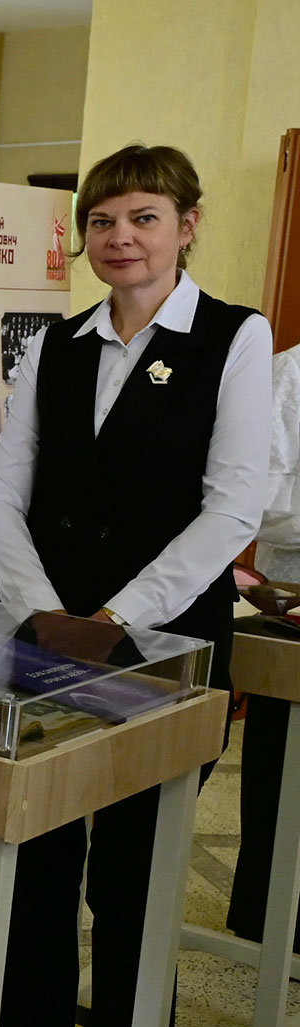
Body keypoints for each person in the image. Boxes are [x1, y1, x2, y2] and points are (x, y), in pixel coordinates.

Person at [0, 144, 272, 1027]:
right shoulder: (55, 345)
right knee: (39, 859)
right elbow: (4, 492)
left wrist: (119, 619)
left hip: (166, 645)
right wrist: (46, 612)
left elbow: (233, 503)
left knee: (135, 879)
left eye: (144, 217)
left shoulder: (233, 337)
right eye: (102, 220)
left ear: (188, 225)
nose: (121, 238)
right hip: (46, 640)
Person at [230, 343, 300, 951]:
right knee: (284, 774)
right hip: (291, 612)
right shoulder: (289, 374)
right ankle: (270, 918)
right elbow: (257, 502)